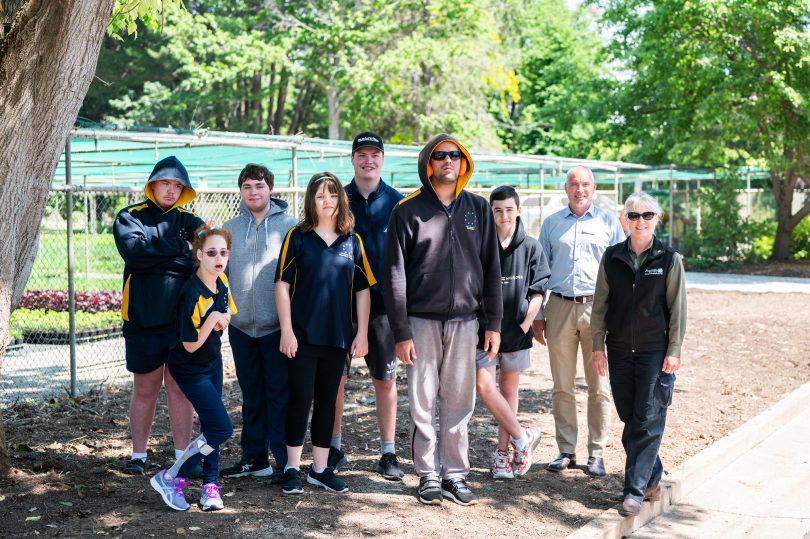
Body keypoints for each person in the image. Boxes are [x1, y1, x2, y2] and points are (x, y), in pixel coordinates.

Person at [384, 134, 502, 506]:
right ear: (428, 164)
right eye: (440, 156)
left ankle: (454, 473)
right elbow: (394, 275)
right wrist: (401, 332)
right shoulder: (407, 211)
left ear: (462, 162)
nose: (448, 160)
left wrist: (494, 322)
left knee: (459, 400)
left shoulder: (478, 209)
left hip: (466, 321)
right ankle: (428, 474)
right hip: (419, 321)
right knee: (421, 399)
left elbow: (491, 268)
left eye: (454, 155)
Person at [275, 172, 374, 495]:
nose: (327, 200)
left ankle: (319, 469)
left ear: (340, 199)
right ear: (310, 201)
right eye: (320, 195)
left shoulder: (352, 241)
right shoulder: (298, 237)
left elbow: (363, 291)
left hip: (338, 338)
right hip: (302, 336)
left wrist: (361, 334)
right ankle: (291, 466)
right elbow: (282, 284)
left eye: (332, 194)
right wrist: (286, 330)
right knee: (300, 400)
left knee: (327, 403)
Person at [591, 192, 686, 517]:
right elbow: (600, 306)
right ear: (624, 220)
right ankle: (653, 478)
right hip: (618, 351)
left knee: (646, 420)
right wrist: (596, 346)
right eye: (634, 216)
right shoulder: (612, 257)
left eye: (647, 215)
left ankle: (633, 491)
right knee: (630, 418)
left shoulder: (668, 259)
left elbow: (678, 310)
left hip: (653, 352)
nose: (640, 221)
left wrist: (673, 350)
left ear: (656, 219)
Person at [113, 156, 204, 475]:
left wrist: (162, 254)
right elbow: (134, 253)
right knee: (146, 388)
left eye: (178, 185)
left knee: (180, 389)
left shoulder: (192, 222)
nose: (171, 190)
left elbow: (204, 259)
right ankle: (138, 456)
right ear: (153, 185)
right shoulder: (129, 217)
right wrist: (180, 251)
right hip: (142, 320)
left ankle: (181, 456)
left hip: (181, 322)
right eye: (165, 183)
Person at [533, 166, 624, 477]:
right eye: (574, 184)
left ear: (594, 187)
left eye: (585, 184)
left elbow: (621, 272)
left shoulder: (609, 223)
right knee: (562, 384)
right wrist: (540, 314)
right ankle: (566, 449)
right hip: (559, 308)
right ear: (566, 188)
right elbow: (540, 272)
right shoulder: (552, 224)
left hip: (597, 311)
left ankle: (597, 452)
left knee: (599, 386)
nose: (580, 189)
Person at [328, 132, 405, 480]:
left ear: (383, 160)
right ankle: (333, 446)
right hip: (340, 304)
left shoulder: (399, 203)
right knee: (335, 379)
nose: (368, 160)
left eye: (375, 154)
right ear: (353, 159)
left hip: (384, 307)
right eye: (362, 154)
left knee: (385, 379)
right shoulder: (336, 200)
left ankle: (388, 452)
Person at [150, 224, 237, 512]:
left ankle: (210, 487)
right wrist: (213, 320)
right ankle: (171, 476)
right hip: (190, 368)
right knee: (222, 429)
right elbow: (189, 345)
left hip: (212, 362)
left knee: (212, 427)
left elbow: (227, 312)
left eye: (223, 252)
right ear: (199, 254)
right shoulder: (191, 294)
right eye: (211, 253)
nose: (218, 258)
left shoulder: (221, 281)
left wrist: (221, 317)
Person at [221, 164, 297, 480]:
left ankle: (283, 459)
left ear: (270, 190)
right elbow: (217, 272)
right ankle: (254, 458)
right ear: (241, 191)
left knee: (279, 394)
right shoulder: (230, 229)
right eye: (248, 186)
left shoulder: (291, 228)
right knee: (251, 394)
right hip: (241, 328)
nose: (254, 192)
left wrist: (290, 325)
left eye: (260, 186)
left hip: (277, 327)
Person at [476, 186, 550, 479]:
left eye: (509, 209)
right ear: (490, 212)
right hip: (484, 332)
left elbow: (538, 291)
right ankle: (523, 436)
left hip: (517, 333)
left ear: (518, 210)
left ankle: (503, 455)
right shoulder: (482, 246)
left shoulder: (531, 247)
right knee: (484, 386)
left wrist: (524, 323)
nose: (503, 215)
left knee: (508, 391)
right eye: (497, 210)